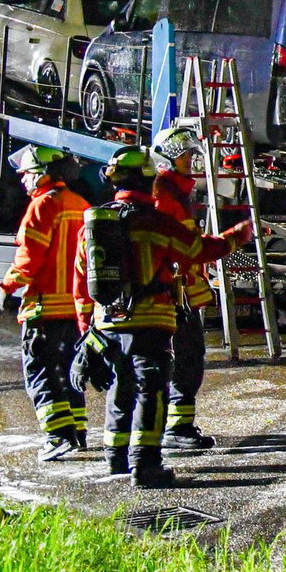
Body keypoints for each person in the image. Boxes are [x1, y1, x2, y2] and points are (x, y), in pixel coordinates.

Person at [73, 146, 252, 488]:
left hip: (106, 323)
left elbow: (81, 283)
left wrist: (87, 329)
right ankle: (146, 466)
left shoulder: (93, 226)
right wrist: (237, 237)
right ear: (148, 181)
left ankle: (115, 459)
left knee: (119, 387)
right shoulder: (157, 224)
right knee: (150, 390)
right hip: (151, 322)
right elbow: (199, 250)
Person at [0, 146, 90, 461]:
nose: (23, 179)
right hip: (74, 310)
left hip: (44, 307)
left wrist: (8, 285)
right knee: (68, 372)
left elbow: (29, 257)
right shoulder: (80, 204)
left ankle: (57, 437)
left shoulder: (41, 206)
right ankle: (77, 432)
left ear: (43, 175)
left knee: (41, 372)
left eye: (28, 173)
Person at [150, 125, 219, 450]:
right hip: (173, 296)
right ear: (167, 160)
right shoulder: (163, 194)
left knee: (189, 360)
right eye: (185, 156)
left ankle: (179, 426)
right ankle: (176, 429)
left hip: (183, 295)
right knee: (184, 361)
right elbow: (174, 247)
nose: (190, 161)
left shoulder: (175, 192)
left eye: (191, 155)